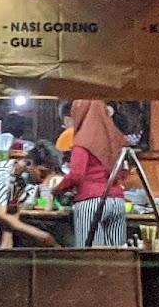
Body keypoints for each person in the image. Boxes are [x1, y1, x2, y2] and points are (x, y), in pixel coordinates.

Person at [55, 100, 128, 247]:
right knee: (118, 258)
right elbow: (124, 173)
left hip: (91, 203)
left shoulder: (82, 141)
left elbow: (76, 174)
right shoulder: (118, 139)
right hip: (118, 202)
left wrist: (58, 189)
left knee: (92, 258)